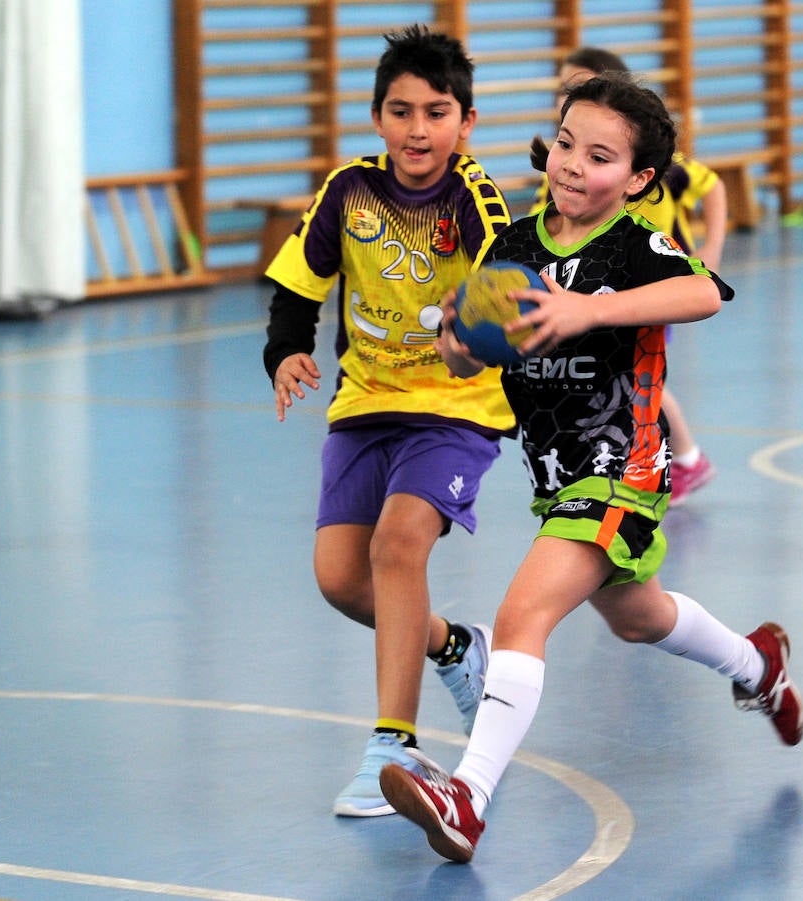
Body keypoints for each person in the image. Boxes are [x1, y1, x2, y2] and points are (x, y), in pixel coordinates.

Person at [378, 72, 803, 863]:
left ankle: (467, 796)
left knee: (520, 618)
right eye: (567, 144)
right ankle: (757, 662)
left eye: (601, 156)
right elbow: (466, 344)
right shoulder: (514, 245)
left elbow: (705, 293)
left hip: (624, 469)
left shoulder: (634, 246)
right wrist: (462, 344)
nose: (575, 165)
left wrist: (591, 308)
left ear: (639, 179)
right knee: (636, 614)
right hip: (555, 476)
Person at [262, 24, 514, 818]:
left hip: (455, 406)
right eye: (401, 111)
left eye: (436, 112)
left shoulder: (474, 199)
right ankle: (452, 645)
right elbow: (299, 284)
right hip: (365, 401)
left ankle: (391, 746)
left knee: (397, 544)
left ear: (465, 124)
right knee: (341, 578)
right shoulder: (348, 189)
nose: (417, 128)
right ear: (376, 116)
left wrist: (469, 332)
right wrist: (284, 353)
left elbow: (504, 294)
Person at [532, 47, 722, 505]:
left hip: (647, 292)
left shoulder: (659, 183)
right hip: (583, 308)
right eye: (563, 89)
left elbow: (713, 189)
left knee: (641, 380)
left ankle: (686, 458)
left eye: (576, 85)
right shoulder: (561, 187)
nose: (566, 95)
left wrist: (711, 250)